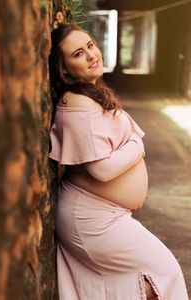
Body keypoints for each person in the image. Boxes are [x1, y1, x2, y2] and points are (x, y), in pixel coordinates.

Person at [48, 24, 188, 300]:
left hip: (102, 214)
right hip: (91, 219)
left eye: (90, 45)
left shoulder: (88, 95)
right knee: (163, 270)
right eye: (78, 53)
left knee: (141, 280)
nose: (90, 55)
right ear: (64, 70)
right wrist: (137, 145)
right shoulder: (77, 103)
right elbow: (102, 169)